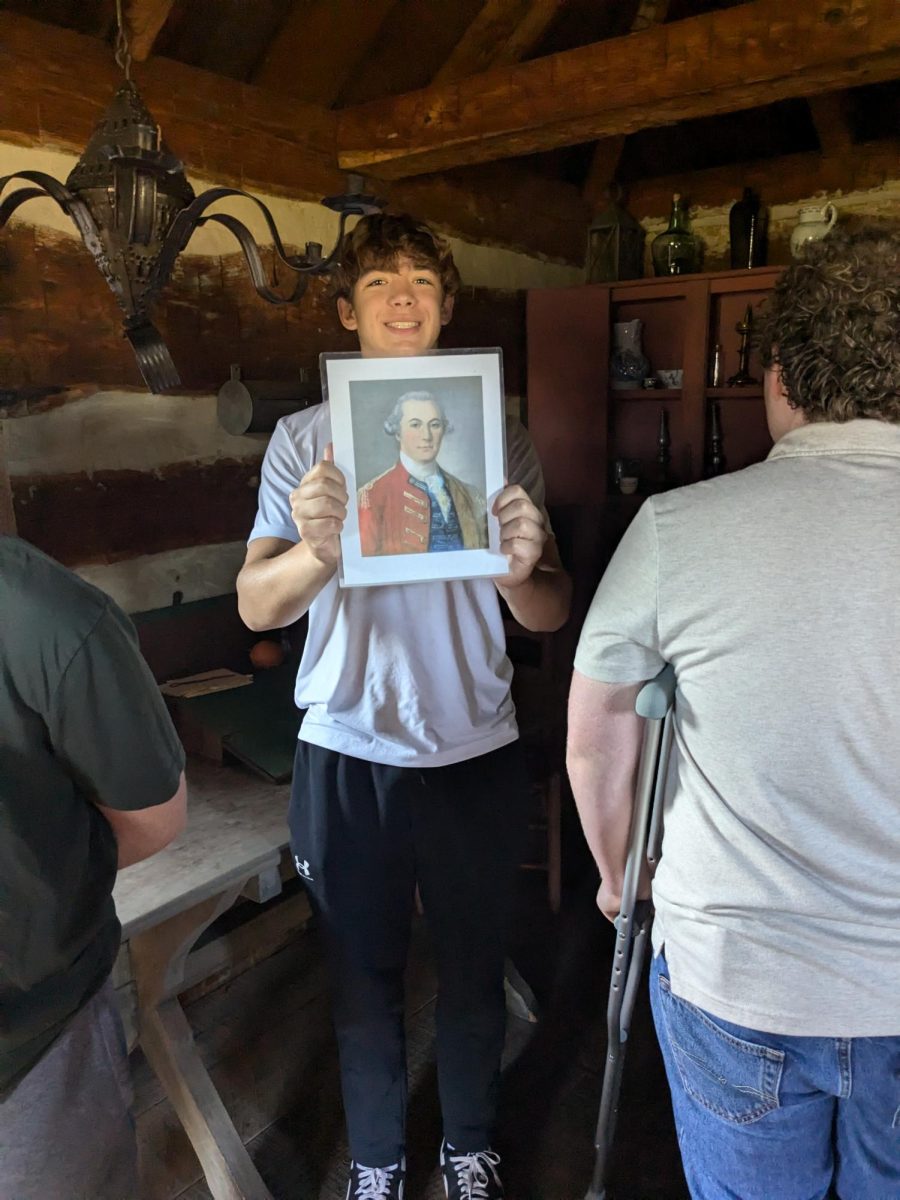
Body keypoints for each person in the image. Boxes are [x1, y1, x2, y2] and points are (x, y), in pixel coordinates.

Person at [237, 212, 571, 1200]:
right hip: (346, 749)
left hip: (474, 745)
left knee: (474, 967)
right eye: (380, 281)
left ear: (445, 307)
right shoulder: (305, 445)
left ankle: (469, 1144)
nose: (401, 296)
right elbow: (257, 600)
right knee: (359, 976)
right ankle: (378, 1161)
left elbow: (548, 609)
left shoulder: (494, 435)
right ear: (347, 310)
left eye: (421, 281)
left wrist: (521, 572)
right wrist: (316, 551)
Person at [566, 227, 900, 1200]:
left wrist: (621, 879)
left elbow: (597, 745)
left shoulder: (678, 531)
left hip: (736, 978)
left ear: (782, 378)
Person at [0, 534, 187, 1200]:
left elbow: (149, 819)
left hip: (29, 1051)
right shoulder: (48, 615)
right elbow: (149, 825)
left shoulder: (47, 619)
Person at [358, 390, 487, 556]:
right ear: (397, 432)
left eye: (434, 425)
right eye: (415, 425)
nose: (426, 436)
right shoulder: (371, 496)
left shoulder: (469, 494)